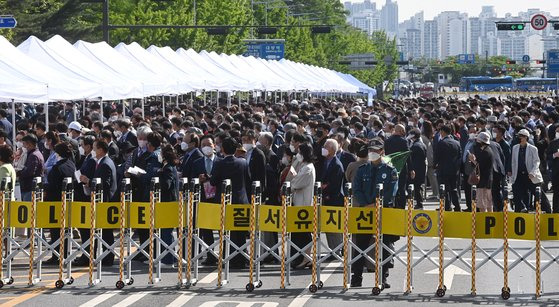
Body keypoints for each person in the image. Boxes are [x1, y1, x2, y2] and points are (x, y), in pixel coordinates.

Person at [351, 138, 398, 288]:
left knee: (384, 245)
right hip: (365, 212)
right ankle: (356, 277)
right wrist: (366, 205)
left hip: (383, 211)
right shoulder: (362, 169)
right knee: (360, 245)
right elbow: (356, 189)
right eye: (370, 150)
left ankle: (383, 277)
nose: (372, 153)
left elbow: (391, 192)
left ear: (382, 152)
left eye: (376, 151)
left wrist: (375, 204)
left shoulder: (390, 170)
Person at [210, 137, 251, 269]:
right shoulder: (243, 162)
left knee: (226, 232)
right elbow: (248, 180)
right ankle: (242, 257)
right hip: (241, 200)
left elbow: (213, 182)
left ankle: (230, 257)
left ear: (222, 149)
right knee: (240, 232)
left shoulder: (219, 163)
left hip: (225, 201)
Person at [78, 139, 118, 266]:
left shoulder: (105, 164)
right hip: (101, 200)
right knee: (105, 232)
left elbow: (105, 184)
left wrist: (88, 181)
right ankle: (105, 257)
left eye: (95, 148)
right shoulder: (102, 162)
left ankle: (108, 258)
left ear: (101, 150)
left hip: (105, 202)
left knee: (106, 232)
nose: (93, 151)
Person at [190, 134, 222, 266]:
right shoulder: (197, 162)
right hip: (203, 198)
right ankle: (211, 255)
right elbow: (191, 179)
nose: (206, 147)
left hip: (218, 198)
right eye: (203, 145)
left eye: (209, 144)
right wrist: (198, 179)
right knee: (206, 229)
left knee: (221, 228)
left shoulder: (221, 161)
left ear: (214, 145)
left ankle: (223, 254)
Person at [44, 142, 76, 265]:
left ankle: (56, 255)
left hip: (55, 202)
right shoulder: (71, 164)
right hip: (68, 201)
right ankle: (66, 253)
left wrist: (43, 186)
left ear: (57, 154)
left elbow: (52, 185)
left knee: (55, 231)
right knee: (66, 229)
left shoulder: (57, 168)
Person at [287, 143, 315, 269]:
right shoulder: (303, 166)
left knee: (303, 233)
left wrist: (292, 180)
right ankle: (302, 258)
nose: (297, 154)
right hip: (299, 203)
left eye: (299, 152)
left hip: (303, 205)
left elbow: (295, 184)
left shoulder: (307, 168)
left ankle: (306, 258)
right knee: (300, 233)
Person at [510, 129, 551, 213]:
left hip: (530, 175)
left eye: (521, 136)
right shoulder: (515, 148)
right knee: (516, 191)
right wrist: (512, 173)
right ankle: (521, 209)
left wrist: (533, 172)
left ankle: (548, 210)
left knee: (538, 194)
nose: (519, 138)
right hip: (519, 174)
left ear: (526, 137)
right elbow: (513, 162)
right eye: (518, 136)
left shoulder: (533, 148)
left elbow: (536, 162)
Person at [319, 138, 344, 254]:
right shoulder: (323, 161)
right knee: (328, 227)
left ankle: (338, 249)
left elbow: (335, 184)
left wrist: (325, 188)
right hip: (325, 198)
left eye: (326, 147)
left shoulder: (336, 165)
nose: (324, 148)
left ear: (333, 150)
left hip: (334, 199)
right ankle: (333, 250)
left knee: (334, 226)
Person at [158, 145, 179, 266]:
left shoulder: (168, 168)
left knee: (166, 231)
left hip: (168, 203)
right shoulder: (170, 167)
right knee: (167, 231)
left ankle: (168, 259)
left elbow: (166, 185)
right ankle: (171, 257)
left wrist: (159, 174)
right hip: (170, 202)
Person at [434, 125, 462, 211]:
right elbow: (460, 156)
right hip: (454, 170)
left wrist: (435, 165)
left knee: (444, 189)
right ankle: (457, 206)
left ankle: (446, 206)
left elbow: (437, 157)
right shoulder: (456, 143)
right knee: (454, 189)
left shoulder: (441, 143)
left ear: (443, 132)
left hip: (443, 170)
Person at [384, 124, 410, 209]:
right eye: (403, 130)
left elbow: (387, 155)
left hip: (391, 167)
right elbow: (407, 156)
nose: (404, 132)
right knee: (401, 187)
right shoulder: (404, 141)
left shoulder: (387, 141)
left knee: (391, 186)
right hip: (401, 167)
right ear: (399, 131)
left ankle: (392, 204)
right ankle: (401, 206)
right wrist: (411, 169)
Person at [467, 132, 494, 212]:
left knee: (482, 203)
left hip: (483, 181)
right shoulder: (487, 150)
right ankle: (489, 217)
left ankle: (484, 220)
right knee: (488, 203)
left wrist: (473, 160)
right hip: (487, 180)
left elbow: (480, 166)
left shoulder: (486, 152)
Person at [17, 134, 44, 201]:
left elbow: (30, 171)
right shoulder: (36, 153)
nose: (23, 146)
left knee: (29, 209)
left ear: (29, 144)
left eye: (24, 144)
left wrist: (19, 173)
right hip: (31, 187)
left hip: (30, 188)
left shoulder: (33, 155)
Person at [408, 129, 427, 209]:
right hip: (421, 168)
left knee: (416, 187)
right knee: (418, 186)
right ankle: (419, 202)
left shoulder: (416, 146)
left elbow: (413, 159)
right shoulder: (422, 144)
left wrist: (412, 170)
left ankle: (419, 203)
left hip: (417, 169)